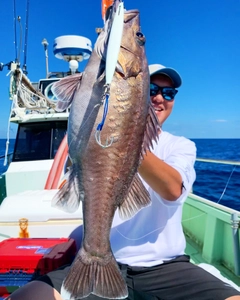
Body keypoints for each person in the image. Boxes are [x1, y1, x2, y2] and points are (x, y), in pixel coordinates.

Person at [7, 64, 240, 300]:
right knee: (28, 297)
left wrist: (127, 135)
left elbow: (172, 190)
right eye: (151, 89)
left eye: (168, 93)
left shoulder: (180, 146)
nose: (160, 98)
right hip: (103, 262)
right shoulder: (95, 136)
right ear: (134, 93)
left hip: (166, 267)